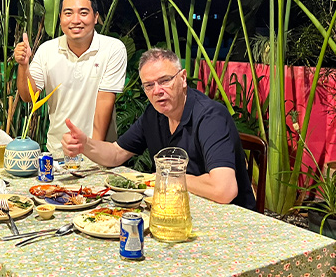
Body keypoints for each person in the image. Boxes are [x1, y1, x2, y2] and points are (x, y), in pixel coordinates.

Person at [62, 48, 256, 210]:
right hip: (175, 209)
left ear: (183, 78)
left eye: (165, 81)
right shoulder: (154, 114)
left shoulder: (210, 117)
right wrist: (85, 144)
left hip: (227, 220)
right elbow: (115, 153)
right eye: (149, 85)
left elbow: (224, 190)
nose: (157, 91)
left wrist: (166, 177)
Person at [14, 0, 127, 154]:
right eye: (68, 13)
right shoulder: (47, 50)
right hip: (58, 151)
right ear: (60, 19)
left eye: (83, 13)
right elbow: (28, 96)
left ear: (95, 17)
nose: (75, 20)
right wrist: (23, 65)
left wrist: (93, 152)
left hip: (99, 152)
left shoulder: (112, 49)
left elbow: (105, 102)